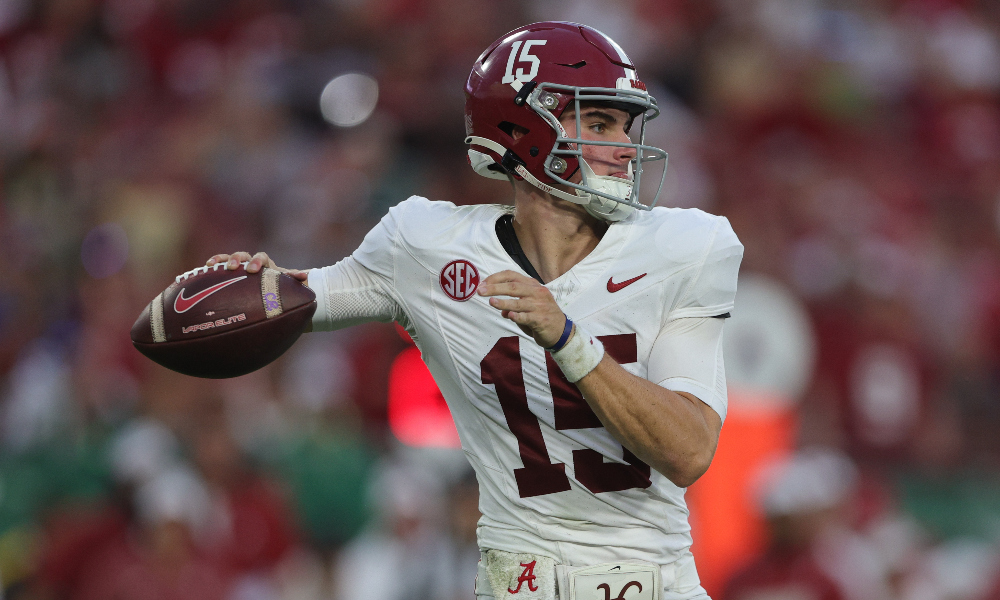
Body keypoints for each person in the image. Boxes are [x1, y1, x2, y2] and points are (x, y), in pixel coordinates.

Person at [208, 21, 742, 600]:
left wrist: (569, 339)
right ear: (522, 128)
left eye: (623, 125)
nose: (622, 147)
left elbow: (689, 451)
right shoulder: (425, 244)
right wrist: (256, 288)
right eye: (597, 122)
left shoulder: (686, 247)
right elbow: (304, 299)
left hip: (654, 586)